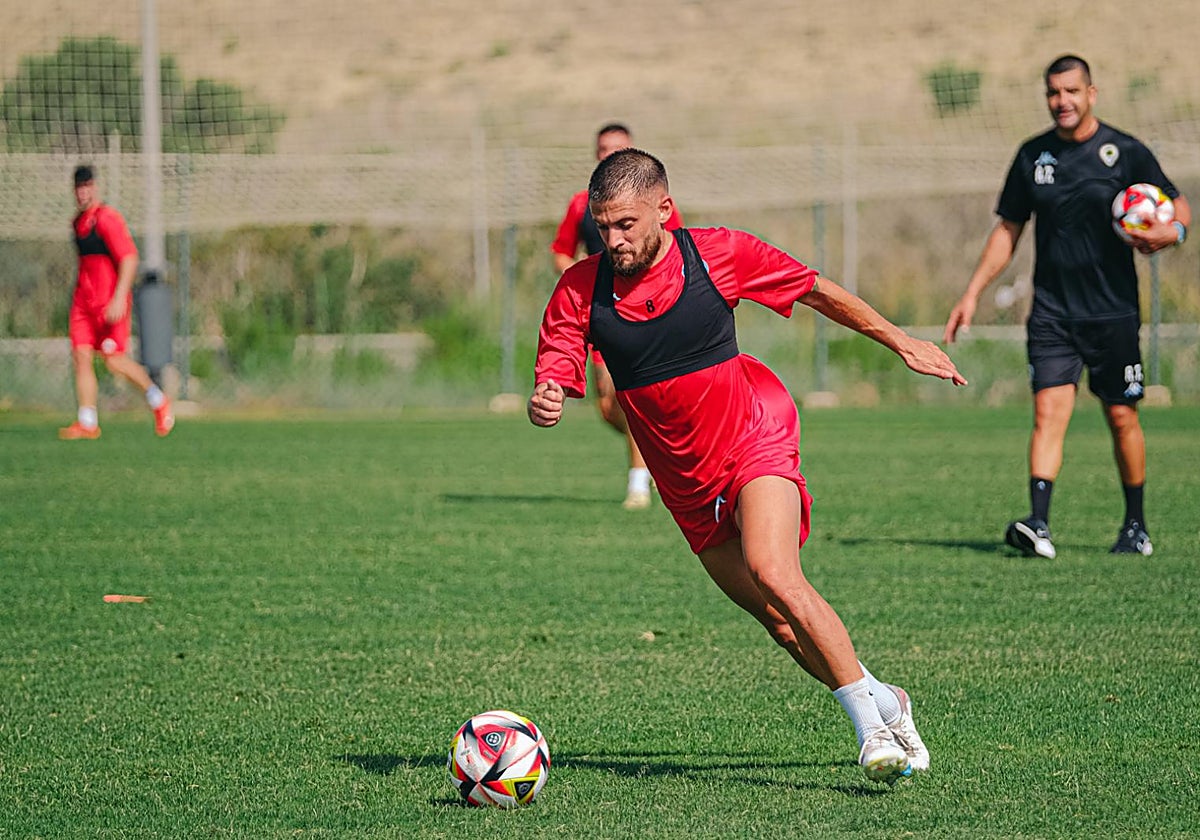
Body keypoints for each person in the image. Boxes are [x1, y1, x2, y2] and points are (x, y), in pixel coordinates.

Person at [529, 148, 967, 783]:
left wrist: (902, 342)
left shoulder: (718, 254)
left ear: (664, 209)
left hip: (754, 434)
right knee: (780, 623)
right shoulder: (581, 287)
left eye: (626, 224)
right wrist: (547, 394)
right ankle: (884, 698)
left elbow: (816, 291)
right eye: (603, 226)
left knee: (773, 569)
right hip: (685, 480)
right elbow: (557, 358)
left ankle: (871, 731)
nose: (613, 240)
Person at [943, 55, 1190, 559]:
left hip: (1113, 312)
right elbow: (1008, 229)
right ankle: (1038, 524)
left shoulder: (1125, 152)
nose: (1063, 101)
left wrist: (1175, 230)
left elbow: (1175, 202)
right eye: (1054, 92)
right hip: (1053, 312)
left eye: (1072, 91)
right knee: (1048, 412)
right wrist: (972, 293)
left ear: (1091, 93)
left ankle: (1136, 527)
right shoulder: (1032, 156)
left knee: (1121, 416)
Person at [550, 123, 684, 509]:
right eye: (603, 149)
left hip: (641, 315)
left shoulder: (650, 204)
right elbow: (561, 251)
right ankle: (659, 454)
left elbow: (675, 248)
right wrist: (582, 281)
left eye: (618, 149)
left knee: (627, 399)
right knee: (608, 407)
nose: (609, 155)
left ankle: (638, 483)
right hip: (600, 314)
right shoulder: (581, 204)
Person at [59, 164, 175, 440]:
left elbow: (129, 258)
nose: (82, 192)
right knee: (81, 356)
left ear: (95, 187)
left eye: (87, 186)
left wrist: (119, 297)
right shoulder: (77, 224)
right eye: (78, 187)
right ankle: (88, 422)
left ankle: (158, 400)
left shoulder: (107, 219)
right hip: (83, 304)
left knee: (114, 361)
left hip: (109, 303)